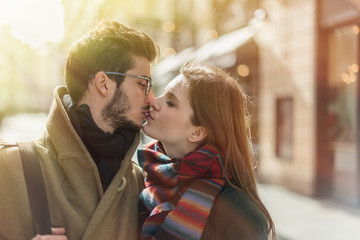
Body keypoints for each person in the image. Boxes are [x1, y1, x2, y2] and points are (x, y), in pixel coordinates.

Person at [0, 19, 159, 240]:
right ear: (104, 83)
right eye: (143, 84)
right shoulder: (8, 168)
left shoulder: (141, 185)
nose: (151, 98)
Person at [137, 62, 276, 240]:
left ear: (197, 132)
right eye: (163, 93)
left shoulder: (241, 216)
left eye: (171, 103)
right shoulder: (145, 178)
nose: (153, 101)